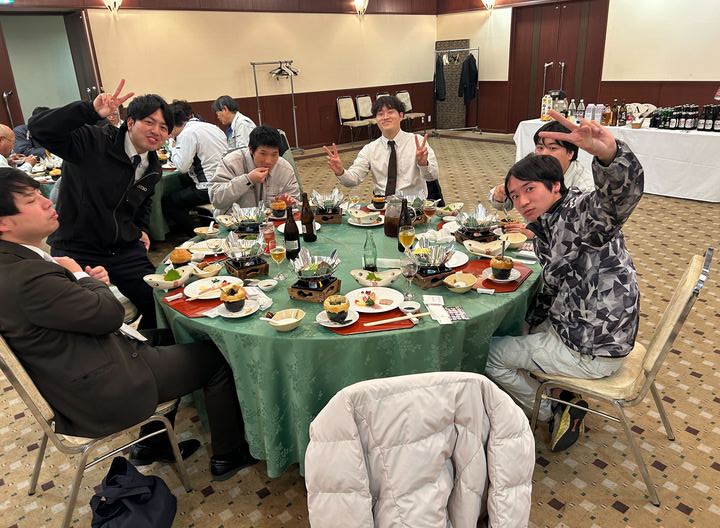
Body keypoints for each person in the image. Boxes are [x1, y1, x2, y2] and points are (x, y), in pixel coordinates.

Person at [0, 168, 257, 480]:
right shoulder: (26, 277)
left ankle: (152, 444)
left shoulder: (14, 262)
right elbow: (110, 316)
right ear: (3, 223)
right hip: (102, 386)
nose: (46, 201)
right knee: (217, 357)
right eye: (30, 200)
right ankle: (228, 456)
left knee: (172, 334)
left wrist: (84, 284)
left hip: (76, 361)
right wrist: (83, 278)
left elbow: (67, 311)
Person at [484, 110, 644, 453]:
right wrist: (531, 320)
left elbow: (617, 200)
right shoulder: (549, 221)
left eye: (530, 190)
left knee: (488, 353)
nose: (522, 202)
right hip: (587, 325)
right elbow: (554, 281)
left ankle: (547, 409)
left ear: (555, 185)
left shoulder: (578, 214)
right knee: (518, 325)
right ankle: (558, 393)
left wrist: (609, 154)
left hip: (593, 346)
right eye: (515, 196)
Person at [28, 80, 169, 329]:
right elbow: (40, 128)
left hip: (124, 249)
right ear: (130, 122)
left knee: (159, 302)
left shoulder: (153, 165)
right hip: (77, 247)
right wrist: (89, 111)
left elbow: (144, 200)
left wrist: (140, 229)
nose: (156, 131)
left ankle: (146, 346)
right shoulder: (93, 141)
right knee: (87, 318)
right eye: (149, 122)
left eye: (164, 127)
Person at [324, 95, 439, 198]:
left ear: (401, 116)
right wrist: (341, 172)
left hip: (413, 205)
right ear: (376, 119)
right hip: (381, 205)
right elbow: (353, 180)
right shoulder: (370, 149)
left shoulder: (417, 142)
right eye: (380, 114)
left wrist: (423, 163)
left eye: (390, 112)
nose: (385, 117)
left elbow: (432, 176)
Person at [488, 120, 594, 212]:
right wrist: (499, 195)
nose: (544, 154)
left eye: (553, 148)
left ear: (570, 153)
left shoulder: (586, 186)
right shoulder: (533, 168)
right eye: (540, 148)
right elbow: (502, 203)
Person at [163, 100, 226, 236]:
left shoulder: (186, 134)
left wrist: (172, 148)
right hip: (226, 183)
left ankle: (199, 235)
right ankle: (207, 226)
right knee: (184, 186)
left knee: (168, 203)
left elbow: (182, 167)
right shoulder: (212, 126)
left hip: (209, 188)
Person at [209, 125, 301, 213]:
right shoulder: (231, 162)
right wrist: (248, 179)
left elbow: (296, 203)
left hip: (271, 222)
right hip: (233, 222)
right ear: (251, 149)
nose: (269, 161)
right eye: (263, 153)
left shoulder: (285, 169)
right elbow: (216, 200)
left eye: (274, 154)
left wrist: (288, 203)